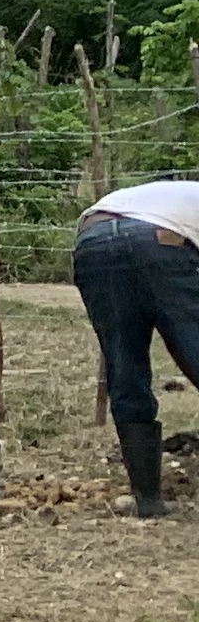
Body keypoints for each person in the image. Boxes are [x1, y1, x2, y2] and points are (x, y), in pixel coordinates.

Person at [73, 176, 199, 520]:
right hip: (160, 239)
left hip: (93, 239)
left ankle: (147, 499)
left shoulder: (175, 193)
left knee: (124, 362)